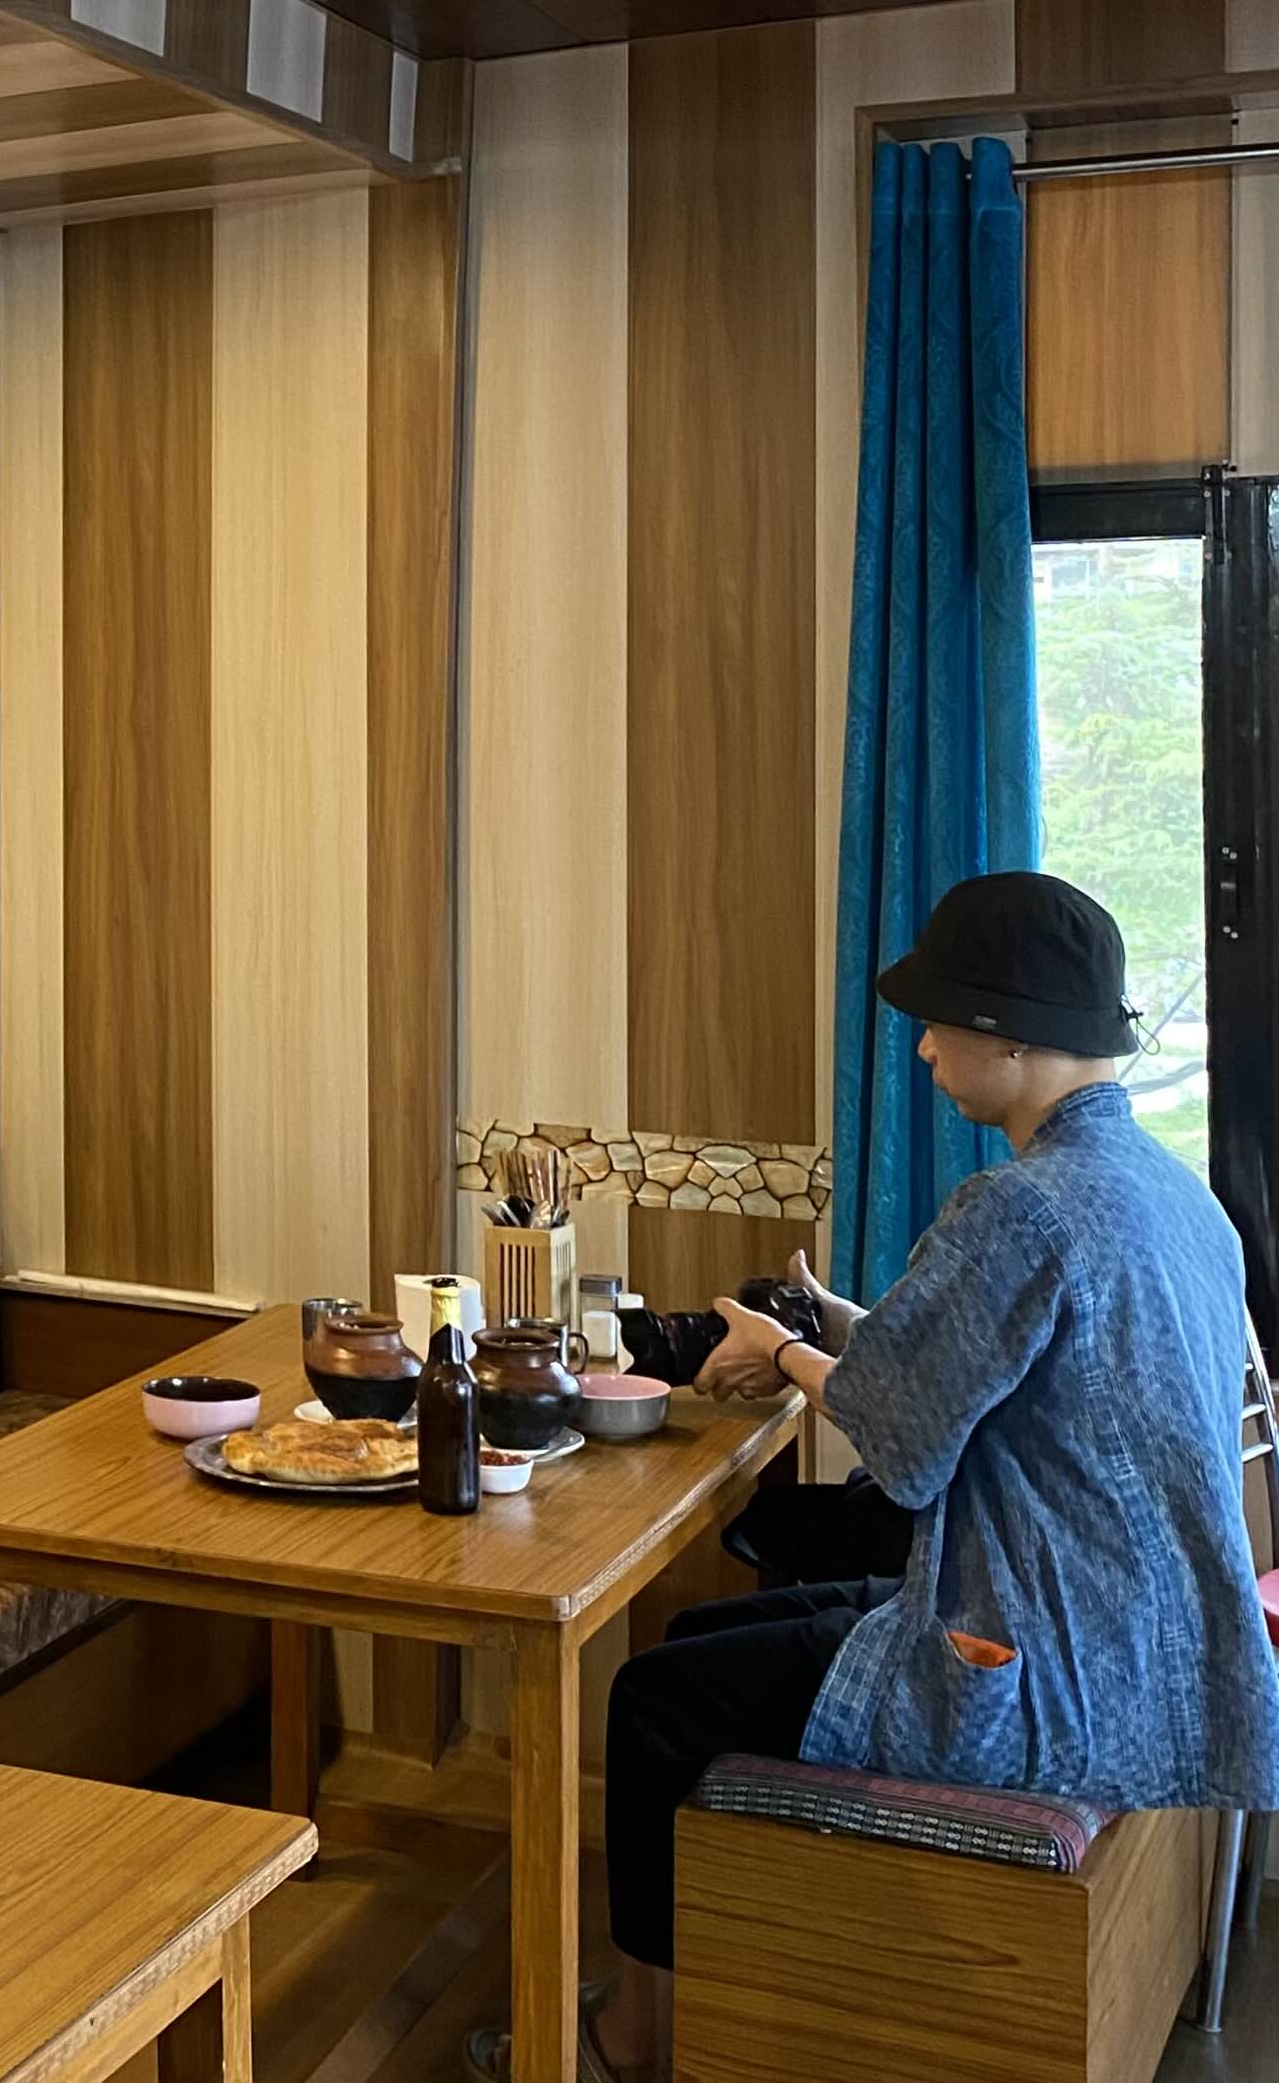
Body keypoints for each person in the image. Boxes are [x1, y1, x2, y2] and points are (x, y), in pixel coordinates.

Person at [468, 871, 1279, 2083]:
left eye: (939, 1020)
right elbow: (970, 1367)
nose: (921, 1048)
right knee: (698, 1636)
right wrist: (839, 1322)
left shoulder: (1021, 1204)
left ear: (1008, 1033)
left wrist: (781, 1350)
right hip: (1139, 1648)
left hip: (1041, 1673)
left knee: (649, 1700)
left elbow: (901, 1443)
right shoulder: (1170, 1196)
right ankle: (709, 1978)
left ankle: (630, 2039)